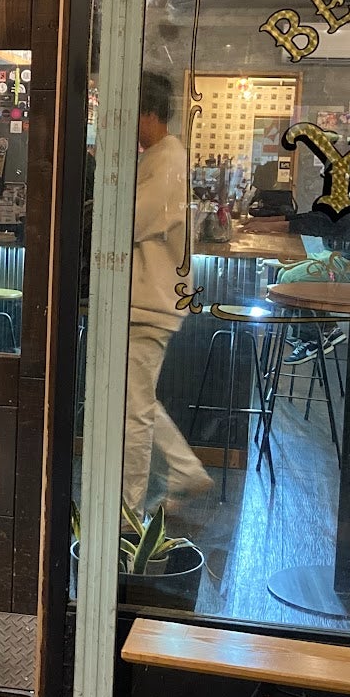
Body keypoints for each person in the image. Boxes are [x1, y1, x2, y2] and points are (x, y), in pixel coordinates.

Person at [125, 71, 215, 516]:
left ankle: (126, 512)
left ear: (147, 112)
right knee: (136, 402)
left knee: (133, 412)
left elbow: (130, 221)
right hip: (147, 300)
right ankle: (184, 471)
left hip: (149, 301)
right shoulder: (161, 157)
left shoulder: (168, 159)